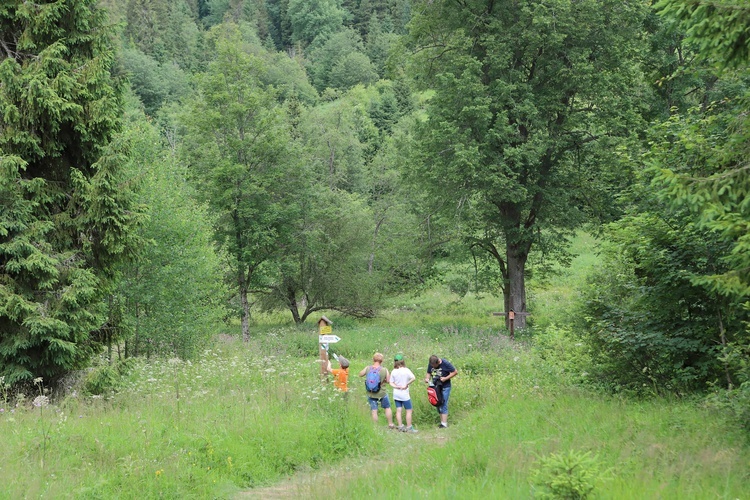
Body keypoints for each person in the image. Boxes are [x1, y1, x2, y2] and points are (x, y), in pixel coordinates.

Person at [359, 352, 395, 428]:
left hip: (371, 392)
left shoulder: (368, 368)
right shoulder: (384, 370)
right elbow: (389, 381)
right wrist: (383, 380)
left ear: (373, 359)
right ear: (382, 361)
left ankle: (375, 426)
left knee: (374, 410)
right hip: (382, 393)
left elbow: (360, 374)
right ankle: (390, 424)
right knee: (387, 407)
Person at [423, 355, 457, 429]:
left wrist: (445, 378)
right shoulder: (431, 363)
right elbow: (429, 372)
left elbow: (454, 372)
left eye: (434, 365)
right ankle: (442, 422)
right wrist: (427, 378)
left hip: (445, 386)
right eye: (432, 365)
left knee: (443, 403)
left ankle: (444, 424)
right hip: (435, 387)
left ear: (438, 362)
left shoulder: (446, 363)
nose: (433, 367)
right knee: (437, 403)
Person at [389, 354, 417, 433]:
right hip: (404, 394)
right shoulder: (406, 370)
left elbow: (391, 382)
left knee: (399, 410)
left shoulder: (394, 371)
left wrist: (397, 386)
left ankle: (400, 426)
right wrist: (406, 384)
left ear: (395, 362)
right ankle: (409, 427)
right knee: (409, 410)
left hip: (396, 393)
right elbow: (413, 378)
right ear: (403, 361)